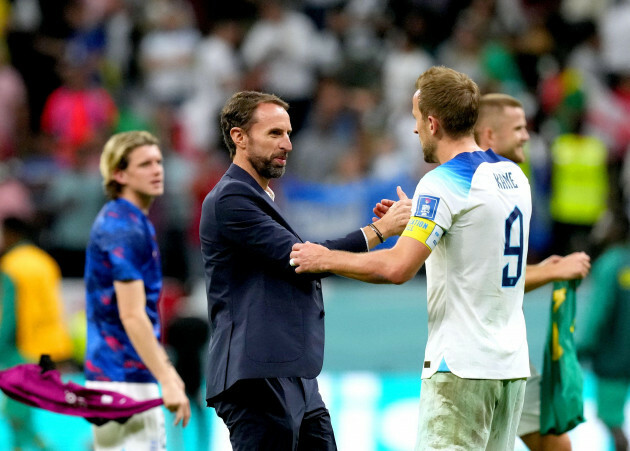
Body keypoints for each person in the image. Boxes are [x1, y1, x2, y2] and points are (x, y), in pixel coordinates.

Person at [290, 66, 532, 450]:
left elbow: (397, 267)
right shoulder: (513, 176)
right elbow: (477, 237)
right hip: (511, 366)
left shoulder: (442, 183)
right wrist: (423, 219)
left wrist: (325, 258)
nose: (415, 129)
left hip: (461, 368)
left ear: (433, 123)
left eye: (417, 119)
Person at [199, 90, 411, 450]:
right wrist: (379, 233)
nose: (288, 144)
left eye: (289, 133)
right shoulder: (231, 198)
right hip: (257, 374)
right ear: (239, 137)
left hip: (291, 373)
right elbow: (302, 259)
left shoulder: (260, 196)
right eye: (274, 134)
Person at [474, 93, 591, 451]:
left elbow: (499, 267)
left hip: (509, 347)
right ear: (490, 135)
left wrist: (543, 268)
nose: (527, 136)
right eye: (519, 128)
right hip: (480, 354)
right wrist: (554, 273)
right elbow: (490, 282)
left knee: (557, 446)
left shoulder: (510, 183)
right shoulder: (478, 190)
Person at [84, 130, 190, 451]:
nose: (157, 170)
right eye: (145, 164)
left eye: (158, 162)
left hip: (117, 375)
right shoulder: (124, 227)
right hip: (123, 378)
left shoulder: (129, 221)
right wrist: (168, 377)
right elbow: (131, 314)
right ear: (119, 173)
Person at [578, 213, 630, 451]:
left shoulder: (609, 265)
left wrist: (581, 348)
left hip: (612, 360)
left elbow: (599, 312)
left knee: (611, 420)